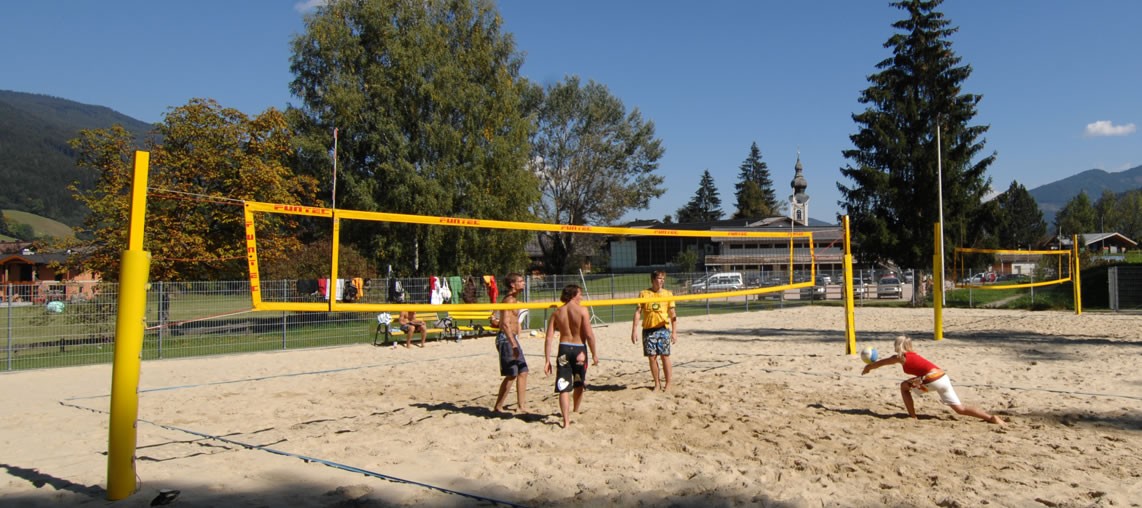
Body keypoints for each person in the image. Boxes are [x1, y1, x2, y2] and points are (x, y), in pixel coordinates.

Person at [862, 335, 1005, 425]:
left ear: (898, 346)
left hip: (931, 379)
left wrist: (869, 368)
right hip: (943, 377)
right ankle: (991, 418)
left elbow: (882, 363)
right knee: (960, 409)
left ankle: (912, 417)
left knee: (904, 387)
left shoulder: (901, 357)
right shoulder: (914, 355)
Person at [543, 284, 598, 429]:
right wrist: (594, 353)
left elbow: (548, 338)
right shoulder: (582, 311)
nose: (582, 297)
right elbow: (589, 335)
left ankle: (566, 421)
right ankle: (576, 410)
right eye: (580, 294)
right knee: (579, 381)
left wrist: (547, 359)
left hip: (564, 349)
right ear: (574, 295)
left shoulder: (557, 313)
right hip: (579, 349)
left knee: (563, 385)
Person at [631, 270, 677, 392]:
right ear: (653, 279)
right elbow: (637, 312)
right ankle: (657, 383)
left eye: (663, 278)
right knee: (652, 357)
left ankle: (668, 383)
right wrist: (634, 330)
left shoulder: (668, 294)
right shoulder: (644, 293)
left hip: (663, 329)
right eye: (659, 278)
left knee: (665, 356)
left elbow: (673, 314)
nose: (661, 280)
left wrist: (674, 332)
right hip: (648, 330)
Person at [492, 273, 529, 413]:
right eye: (520, 281)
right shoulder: (508, 301)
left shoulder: (514, 300)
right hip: (506, 339)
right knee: (512, 373)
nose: (524, 283)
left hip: (512, 338)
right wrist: (513, 343)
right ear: (513, 285)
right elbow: (505, 324)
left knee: (523, 371)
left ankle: (521, 406)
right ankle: (498, 406)